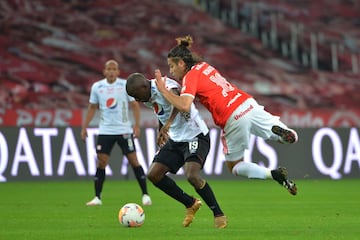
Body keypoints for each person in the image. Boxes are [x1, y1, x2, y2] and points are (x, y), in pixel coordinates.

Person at [154, 35, 298, 195]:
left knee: (234, 166)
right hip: (247, 103)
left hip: (233, 117)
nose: (171, 71)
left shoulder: (190, 77)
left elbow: (185, 106)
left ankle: (273, 174)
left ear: (181, 63)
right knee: (287, 137)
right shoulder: (203, 66)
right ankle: (284, 133)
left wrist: (163, 90)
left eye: (172, 66)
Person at [126, 73, 227, 228]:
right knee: (154, 174)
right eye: (133, 97)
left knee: (192, 175)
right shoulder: (147, 97)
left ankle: (218, 214)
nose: (137, 100)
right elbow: (162, 113)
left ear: (145, 86)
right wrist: (161, 131)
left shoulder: (165, 85)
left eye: (136, 96)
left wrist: (168, 124)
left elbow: (179, 102)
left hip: (195, 135)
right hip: (175, 139)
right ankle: (190, 203)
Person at [81, 59, 152, 206]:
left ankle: (145, 194)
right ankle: (97, 197)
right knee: (101, 162)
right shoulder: (97, 87)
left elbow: (135, 105)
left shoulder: (124, 85)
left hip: (124, 130)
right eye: (109, 69)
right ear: (104, 71)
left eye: (114, 69)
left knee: (134, 160)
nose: (111, 71)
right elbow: (92, 107)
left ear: (118, 72)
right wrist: (84, 127)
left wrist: (137, 126)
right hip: (105, 130)